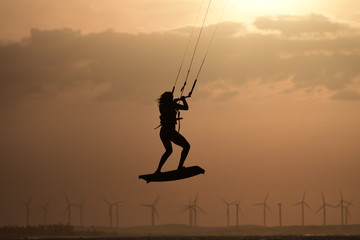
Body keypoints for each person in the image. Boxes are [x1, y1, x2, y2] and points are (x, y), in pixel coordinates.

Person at [155, 91, 190, 173]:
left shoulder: (162, 105)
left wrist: (175, 102)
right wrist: (183, 100)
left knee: (168, 151)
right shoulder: (171, 104)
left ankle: (158, 170)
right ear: (169, 99)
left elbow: (169, 108)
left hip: (163, 132)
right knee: (186, 146)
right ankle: (180, 167)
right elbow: (186, 108)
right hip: (170, 132)